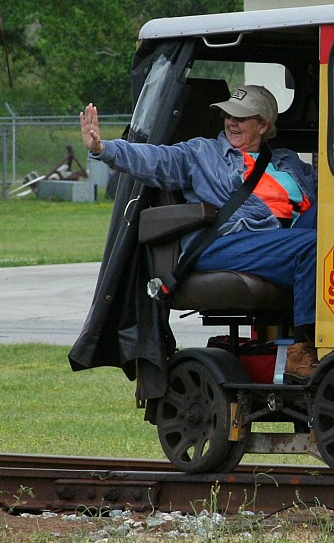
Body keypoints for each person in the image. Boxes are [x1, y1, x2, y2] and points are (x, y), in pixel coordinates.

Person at [79, 84, 320, 380]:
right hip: (228, 242)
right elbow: (156, 160)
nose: (231, 122)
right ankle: (305, 347)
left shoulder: (287, 162)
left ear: (263, 125)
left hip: (285, 240)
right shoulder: (203, 154)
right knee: (315, 246)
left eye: (241, 117)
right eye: (227, 115)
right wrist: (103, 149)